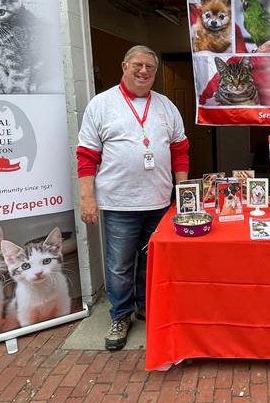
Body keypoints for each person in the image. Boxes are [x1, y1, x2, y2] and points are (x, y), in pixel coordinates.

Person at [76, 45, 189, 350]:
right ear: (124, 66)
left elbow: (180, 151)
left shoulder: (166, 106)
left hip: (159, 201)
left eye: (150, 67)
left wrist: (183, 193)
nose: (143, 71)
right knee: (119, 265)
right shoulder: (101, 105)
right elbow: (86, 155)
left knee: (151, 261)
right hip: (119, 202)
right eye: (137, 65)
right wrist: (87, 197)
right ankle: (120, 315)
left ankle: (145, 306)